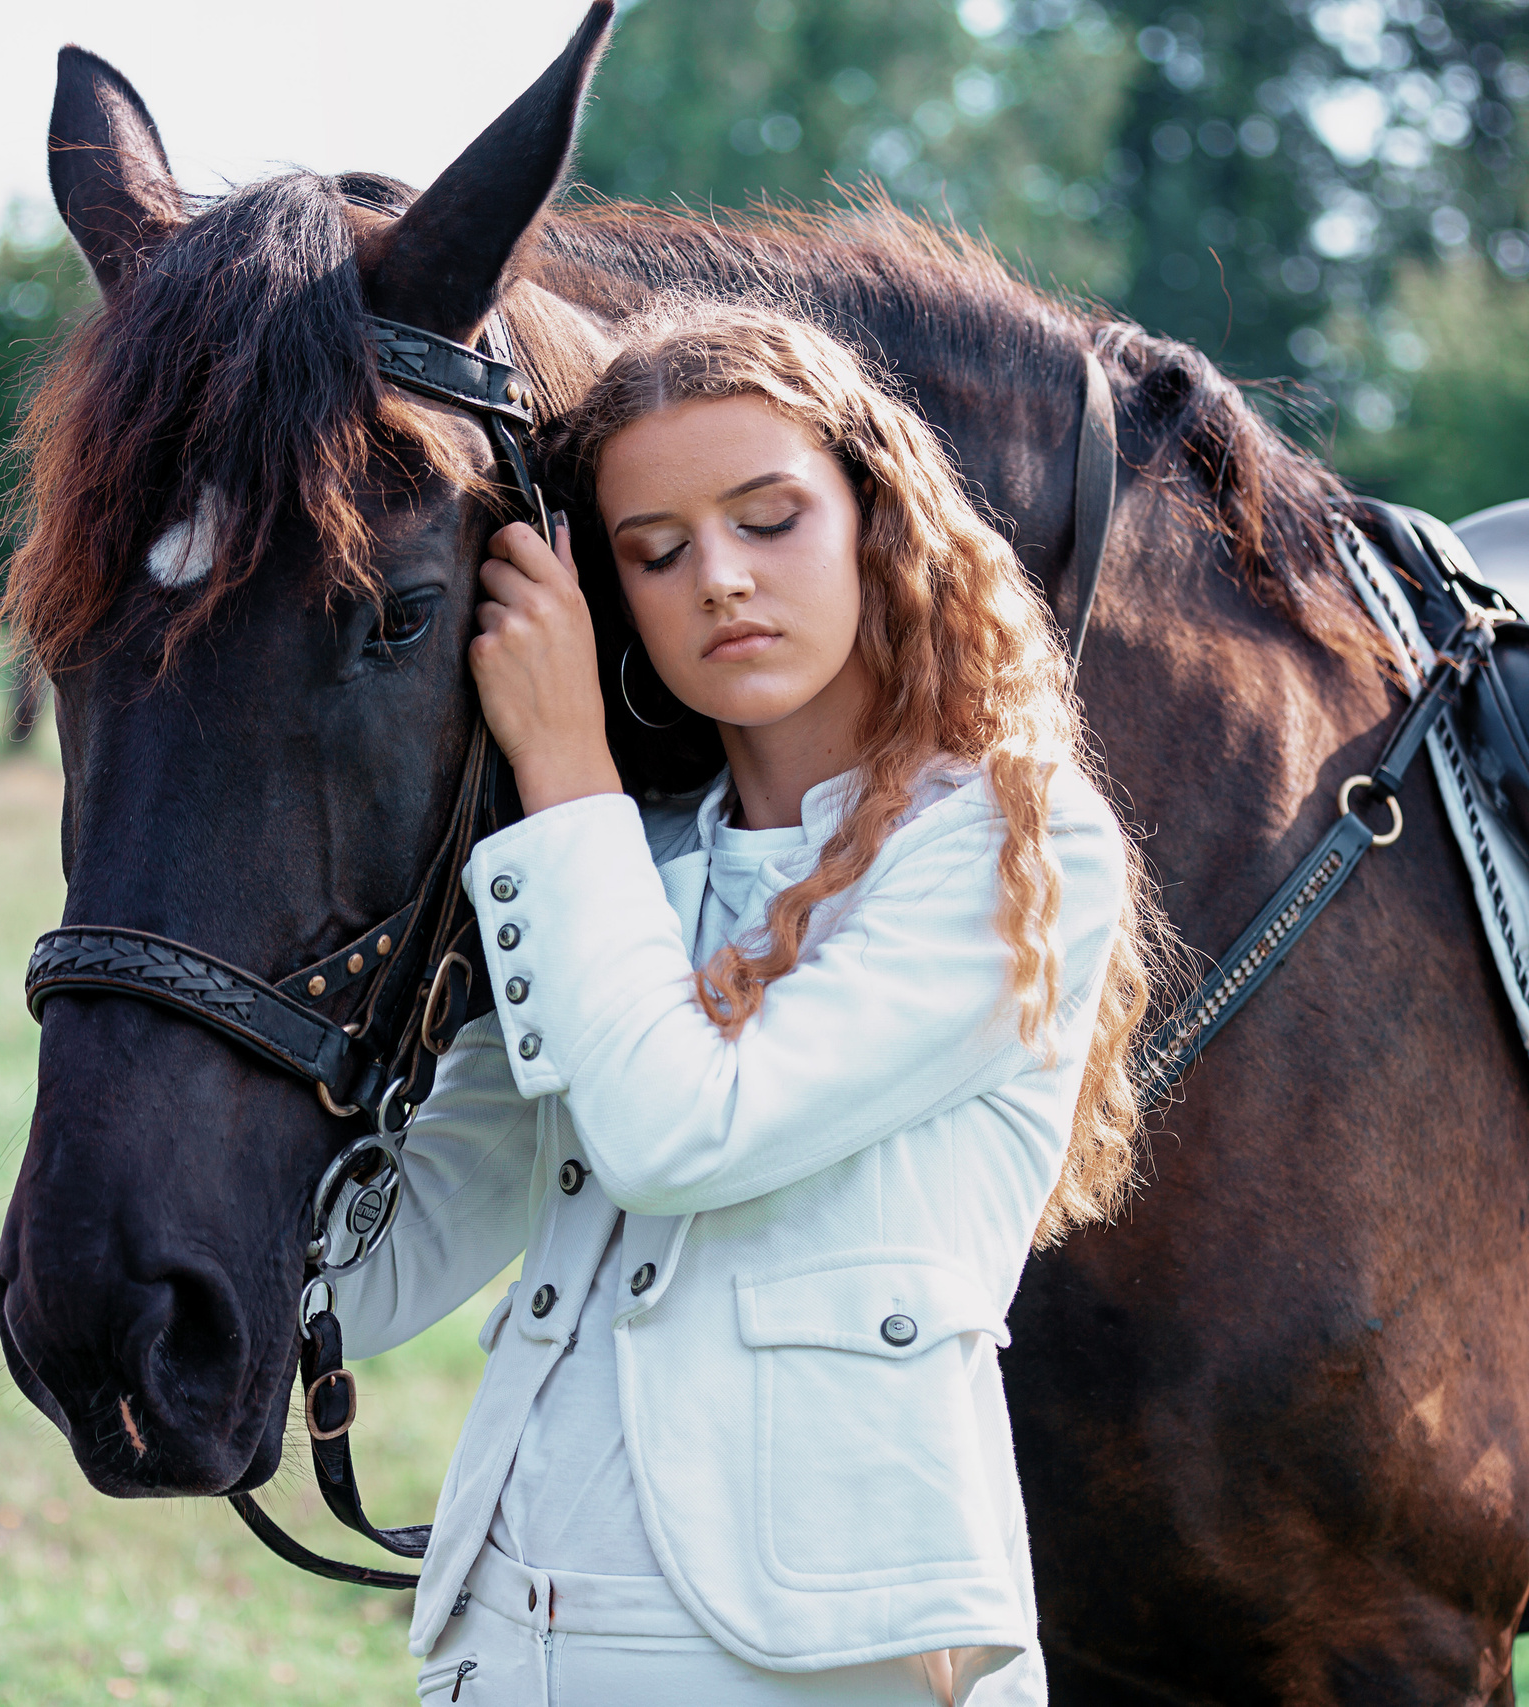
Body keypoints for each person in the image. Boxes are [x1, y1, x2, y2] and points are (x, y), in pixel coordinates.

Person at [330, 303, 1162, 1706]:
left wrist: (565, 765)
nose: (718, 578)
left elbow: (680, 1133)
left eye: (768, 520)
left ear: (874, 520)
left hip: (819, 1661)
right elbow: (396, 1258)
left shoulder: (1013, 848)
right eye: (656, 552)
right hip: (509, 1640)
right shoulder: (627, 866)